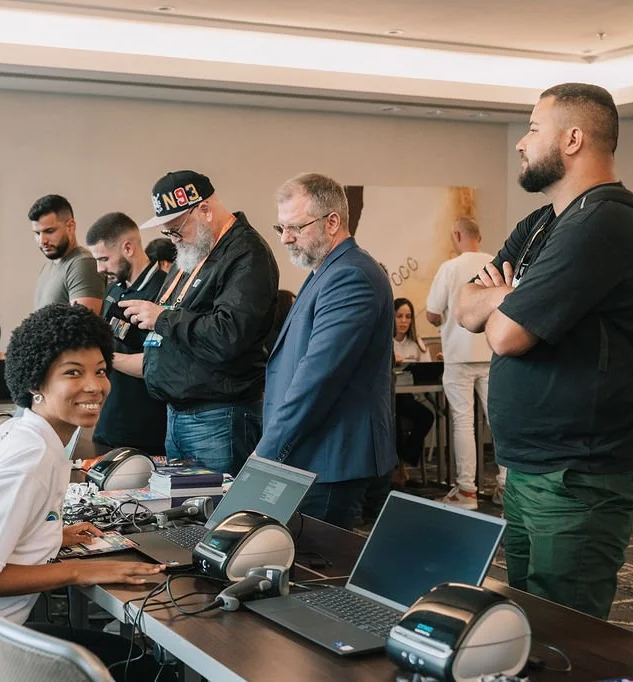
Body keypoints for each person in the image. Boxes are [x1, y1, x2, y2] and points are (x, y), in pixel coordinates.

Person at [456, 83, 633, 619]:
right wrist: (509, 295)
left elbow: (504, 336)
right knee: (527, 619)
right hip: (531, 467)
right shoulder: (542, 223)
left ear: (572, 139)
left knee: (566, 633)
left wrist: (502, 298)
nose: (520, 142)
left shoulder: (603, 222)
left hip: (578, 476)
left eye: (532, 129)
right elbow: (464, 307)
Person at [0, 304, 165, 682]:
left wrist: (44, 535)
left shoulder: (7, 433)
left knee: (120, 656)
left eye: (100, 370)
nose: (95, 386)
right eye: (73, 372)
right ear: (34, 383)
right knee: (142, 668)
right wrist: (77, 571)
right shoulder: (32, 456)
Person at [255, 173, 396, 530]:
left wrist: (264, 455)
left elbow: (317, 379)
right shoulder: (327, 270)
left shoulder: (351, 276)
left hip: (331, 459)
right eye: (281, 227)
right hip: (312, 455)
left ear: (332, 222)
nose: (285, 238)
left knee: (318, 564)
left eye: (295, 227)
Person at [119, 170, 278, 474]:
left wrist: (162, 318)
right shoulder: (194, 252)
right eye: (168, 233)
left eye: (177, 230)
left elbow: (229, 334)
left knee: (219, 502)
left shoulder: (247, 253)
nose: (174, 240)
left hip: (219, 417)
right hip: (178, 415)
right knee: (184, 504)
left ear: (204, 210)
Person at [426, 218, 508, 509]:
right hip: (492, 352)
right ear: (479, 236)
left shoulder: (450, 267)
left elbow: (432, 313)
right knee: (497, 421)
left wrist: (444, 321)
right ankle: (505, 487)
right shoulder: (495, 262)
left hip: (459, 356)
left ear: (457, 235)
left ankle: (467, 491)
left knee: (463, 422)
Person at [85, 212, 169, 456]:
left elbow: (157, 364)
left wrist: (102, 358)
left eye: (104, 259)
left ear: (128, 248)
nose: (100, 268)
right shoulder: (114, 289)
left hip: (145, 431)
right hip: (107, 425)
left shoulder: (164, 291)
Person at [28, 194, 105, 313]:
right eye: (37, 233)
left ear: (70, 226)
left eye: (49, 231)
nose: (42, 241)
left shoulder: (83, 264)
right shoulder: (48, 267)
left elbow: (84, 323)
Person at [390, 298, 435, 488]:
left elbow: (426, 367)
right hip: (389, 397)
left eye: (408, 317)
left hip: (409, 395)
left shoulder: (416, 343)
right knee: (395, 421)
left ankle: (404, 462)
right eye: (399, 316)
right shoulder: (385, 342)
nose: (404, 321)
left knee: (427, 416)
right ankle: (397, 468)